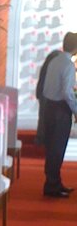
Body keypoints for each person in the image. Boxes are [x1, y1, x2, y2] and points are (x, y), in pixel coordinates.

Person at [40, 31, 77, 197]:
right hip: (60, 111)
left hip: (49, 107)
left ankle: (54, 181)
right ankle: (52, 185)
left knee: (52, 147)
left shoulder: (54, 60)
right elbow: (67, 93)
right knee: (57, 149)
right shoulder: (68, 65)